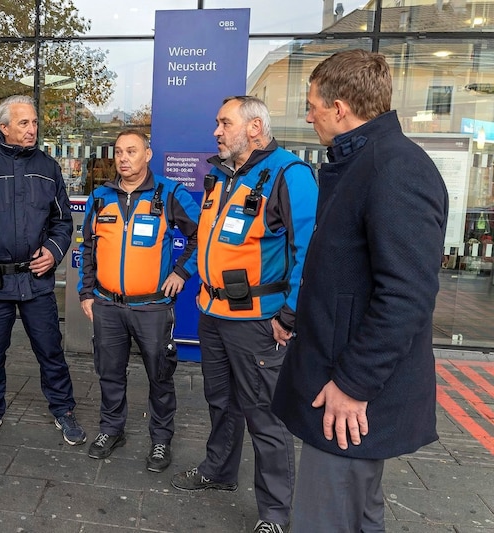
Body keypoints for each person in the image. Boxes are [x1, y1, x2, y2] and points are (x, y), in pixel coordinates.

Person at [272, 49, 449, 533]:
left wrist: (353, 385)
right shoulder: (361, 163)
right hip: (337, 384)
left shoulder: (396, 169)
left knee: (327, 520)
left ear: (340, 107)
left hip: (349, 398)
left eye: (312, 104)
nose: (307, 115)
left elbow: (407, 296)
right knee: (356, 515)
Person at [171, 96, 318, 533]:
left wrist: (288, 316)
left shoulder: (290, 175)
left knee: (264, 416)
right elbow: (211, 238)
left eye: (224, 123)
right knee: (221, 402)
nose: (216, 132)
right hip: (213, 314)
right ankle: (219, 470)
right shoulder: (221, 176)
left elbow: (307, 252)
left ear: (254, 128)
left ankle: (274, 512)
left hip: (258, 320)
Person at [0, 94, 86, 447]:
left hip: (36, 279)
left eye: (33, 123)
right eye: (24, 123)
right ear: (3, 127)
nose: (32, 129)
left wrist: (54, 251)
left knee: (50, 349)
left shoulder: (48, 168)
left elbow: (62, 222)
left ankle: (63, 409)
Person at [77, 129, 199, 471]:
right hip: (107, 306)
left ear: (148, 154)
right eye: (118, 152)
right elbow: (88, 247)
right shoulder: (100, 197)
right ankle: (111, 429)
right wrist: (86, 293)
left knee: (160, 376)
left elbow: (201, 235)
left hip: (152, 307)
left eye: (131, 151)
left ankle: (161, 440)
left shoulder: (169, 192)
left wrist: (181, 273)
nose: (124, 158)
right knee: (109, 373)